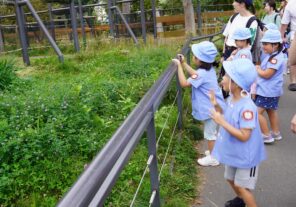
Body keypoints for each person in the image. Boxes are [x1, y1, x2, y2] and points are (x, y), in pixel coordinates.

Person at [210, 59, 266, 207]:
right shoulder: (231, 99)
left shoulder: (247, 107)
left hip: (246, 156)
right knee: (229, 178)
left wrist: (221, 121)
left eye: (225, 76)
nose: (222, 79)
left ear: (235, 83)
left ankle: (246, 200)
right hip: (234, 152)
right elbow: (227, 115)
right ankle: (241, 200)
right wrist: (216, 105)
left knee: (242, 186)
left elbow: (244, 135)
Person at [172, 41, 225, 167]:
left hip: (212, 109)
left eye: (195, 56)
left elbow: (184, 83)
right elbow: (196, 75)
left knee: (209, 134)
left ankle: (213, 158)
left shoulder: (202, 73)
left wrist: (179, 66)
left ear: (201, 60)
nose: (193, 57)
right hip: (215, 106)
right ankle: (215, 152)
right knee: (212, 132)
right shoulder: (208, 70)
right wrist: (184, 63)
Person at [255, 29, 284, 144]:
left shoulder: (275, 58)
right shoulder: (274, 55)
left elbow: (267, 74)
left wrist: (257, 70)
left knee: (256, 113)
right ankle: (276, 133)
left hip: (267, 91)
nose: (263, 46)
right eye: (263, 44)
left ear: (276, 44)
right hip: (272, 91)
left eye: (266, 44)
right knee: (271, 111)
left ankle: (266, 135)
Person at [280, 0, 296, 91]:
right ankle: (294, 81)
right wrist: (280, 37)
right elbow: (284, 23)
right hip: (295, 34)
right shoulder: (291, 4)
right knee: (293, 59)